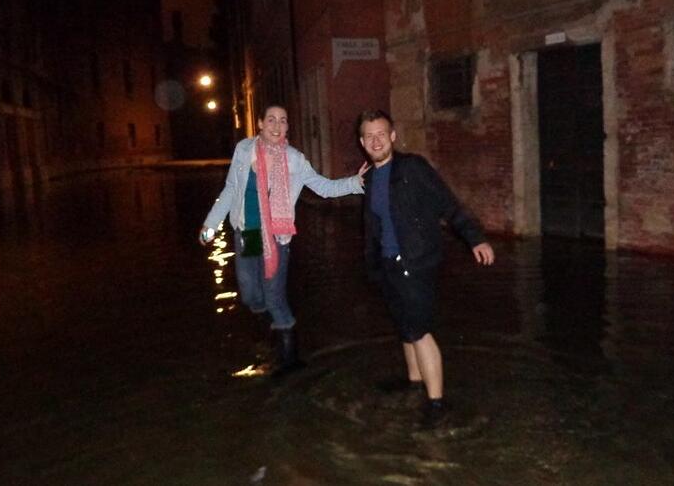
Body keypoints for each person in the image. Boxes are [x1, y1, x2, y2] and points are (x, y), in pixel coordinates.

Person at [200, 104, 368, 376]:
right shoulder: (244, 150)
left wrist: (354, 183)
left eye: (283, 120)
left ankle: (289, 360)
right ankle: (272, 324)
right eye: (271, 120)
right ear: (260, 124)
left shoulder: (294, 160)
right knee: (250, 293)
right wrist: (211, 223)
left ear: (288, 126)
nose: (277, 126)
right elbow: (231, 189)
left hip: (277, 236)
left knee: (275, 297)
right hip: (249, 232)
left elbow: (323, 187)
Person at [357, 109, 495, 428]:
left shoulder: (412, 168)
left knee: (419, 330)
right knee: (404, 325)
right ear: (363, 142)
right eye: (370, 136)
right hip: (388, 265)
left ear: (392, 136)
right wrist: (372, 265)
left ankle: (436, 403)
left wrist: (476, 239)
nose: (377, 140)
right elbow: (374, 226)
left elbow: (448, 203)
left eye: (382, 134)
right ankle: (414, 382)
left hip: (416, 262)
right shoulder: (368, 177)